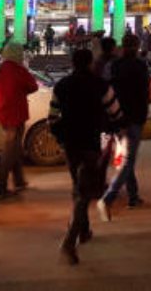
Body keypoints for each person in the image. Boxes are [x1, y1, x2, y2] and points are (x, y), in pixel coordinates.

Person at [48, 46, 124, 265]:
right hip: (91, 144)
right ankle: (69, 242)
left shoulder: (61, 86)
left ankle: (84, 230)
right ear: (90, 63)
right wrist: (118, 129)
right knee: (84, 194)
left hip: (71, 146)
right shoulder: (100, 86)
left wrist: (62, 137)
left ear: (73, 64)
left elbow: (52, 118)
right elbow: (116, 112)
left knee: (79, 188)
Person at [98, 33, 148, 217]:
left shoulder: (114, 66)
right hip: (134, 118)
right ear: (137, 45)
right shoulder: (141, 66)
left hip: (117, 118)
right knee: (128, 160)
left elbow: (107, 90)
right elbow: (144, 93)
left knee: (127, 158)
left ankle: (133, 195)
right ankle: (108, 198)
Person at [0, 42, 39, 201]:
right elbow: (33, 86)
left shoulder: (0, 67)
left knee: (16, 146)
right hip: (16, 114)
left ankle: (19, 181)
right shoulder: (18, 69)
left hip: (4, 113)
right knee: (10, 149)